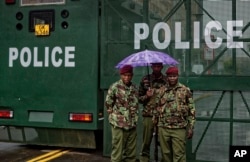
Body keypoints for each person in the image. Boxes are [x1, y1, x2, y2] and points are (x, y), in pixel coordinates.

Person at [153, 66, 196, 162]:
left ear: (177, 76)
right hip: (163, 127)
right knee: (165, 154)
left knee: (179, 155)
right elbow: (156, 107)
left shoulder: (185, 90)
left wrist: (191, 127)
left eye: (174, 76)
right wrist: (155, 125)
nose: (172, 78)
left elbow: (192, 109)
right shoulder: (162, 91)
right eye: (170, 76)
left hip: (179, 128)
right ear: (167, 77)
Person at [105, 65, 139, 162]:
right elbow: (108, 103)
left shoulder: (134, 88)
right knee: (117, 151)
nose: (127, 78)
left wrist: (148, 95)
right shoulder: (115, 87)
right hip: (119, 124)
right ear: (121, 75)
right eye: (124, 75)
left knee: (131, 153)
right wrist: (114, 114)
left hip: (132, 124)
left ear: (132, 75)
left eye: (129, 75)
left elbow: (138, 101)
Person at [139, 62, 167, 162]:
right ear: (151, 67)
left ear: (162, 67)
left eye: (158, 66)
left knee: (164, 142)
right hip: (149, 114)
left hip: (162, 115)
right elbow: (139, 98)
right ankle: (144, 159)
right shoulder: (145, 80)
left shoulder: (166, 80)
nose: (156, 68)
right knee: (146, 141)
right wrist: (147, 96)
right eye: (154, 66)